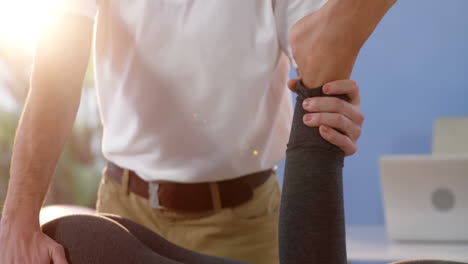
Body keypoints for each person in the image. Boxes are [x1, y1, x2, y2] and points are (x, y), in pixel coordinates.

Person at [0, 0, 395, 263]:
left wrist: (331, 101)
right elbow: (55, 77)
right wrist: (17, 219)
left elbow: (312, 53)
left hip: (245, 219)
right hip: (127, 205)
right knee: (70, 232)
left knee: (323, 69)